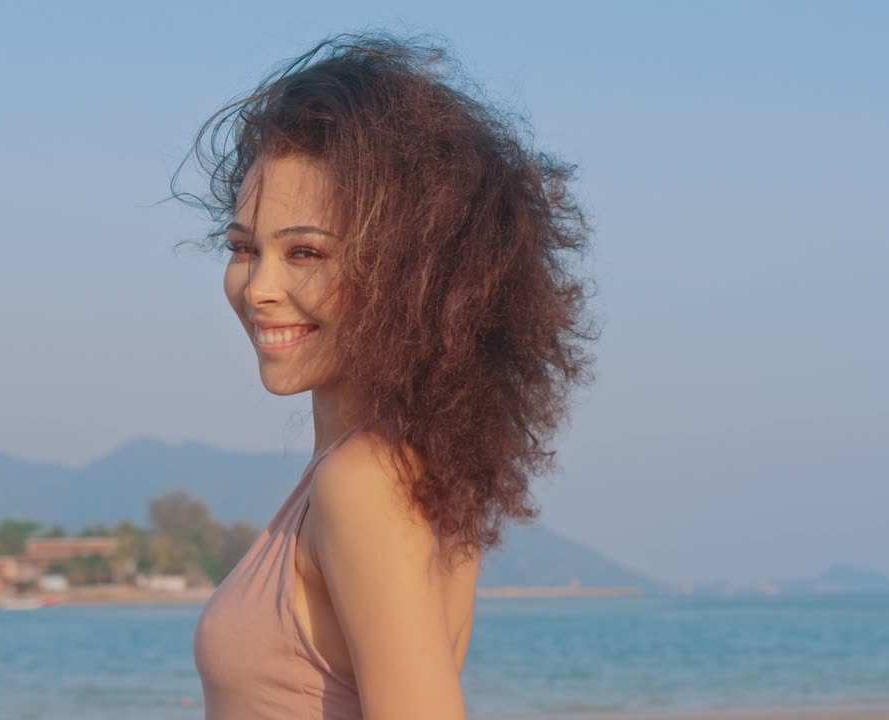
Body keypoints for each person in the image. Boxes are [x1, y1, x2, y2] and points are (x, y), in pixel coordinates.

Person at [177, 29, 598, 720]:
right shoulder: (405, 473)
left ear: (415, 276)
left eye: (306, 253)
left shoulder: (366, 482)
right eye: (244, 248)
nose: (258, 288)